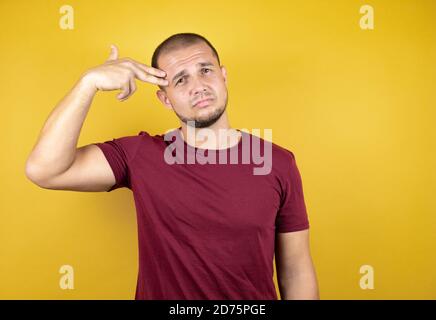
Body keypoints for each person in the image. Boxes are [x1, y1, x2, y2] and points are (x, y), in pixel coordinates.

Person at [25, 32, 319, 300]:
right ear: (164, 99)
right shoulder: (140, 154)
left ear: (224, 76)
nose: (199, 86)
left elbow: (295, 271)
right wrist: (88, 83)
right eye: (180, 79)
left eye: (205, 70)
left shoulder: (278, 163)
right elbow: (45, 170)